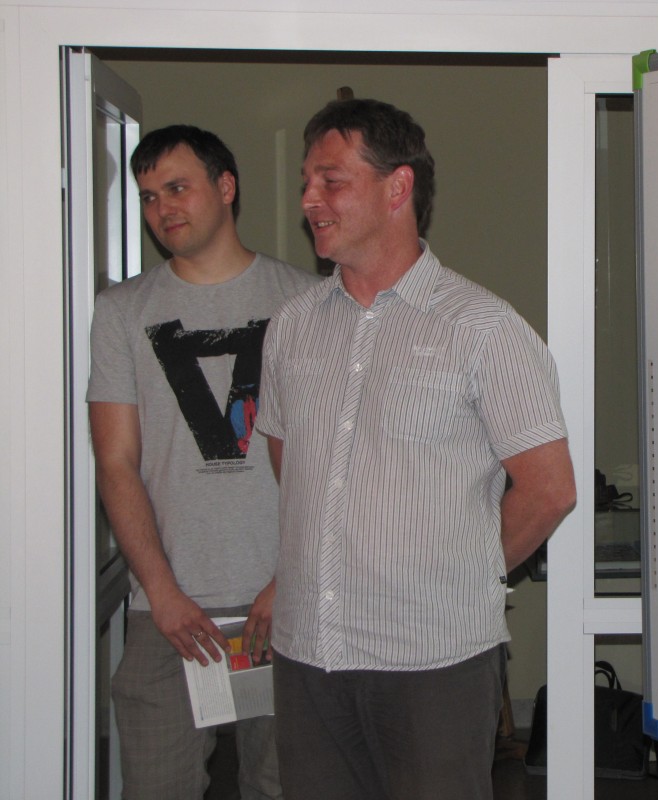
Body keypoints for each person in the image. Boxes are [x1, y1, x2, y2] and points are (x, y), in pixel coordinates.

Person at [257, 98, 577, 800]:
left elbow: (549, 489)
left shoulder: (483, 327)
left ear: (397, 186)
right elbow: (293, 462)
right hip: (309, 655)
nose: (309, 199)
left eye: (331, 181)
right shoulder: (291, 327)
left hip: (434, 662)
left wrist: (457, 575)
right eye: (306, 182)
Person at [87, 125, 319, 799]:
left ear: (225, 187)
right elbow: (115, 462)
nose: (162, 209)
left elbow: (329, 460)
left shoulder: (306, 301)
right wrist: (161, 594)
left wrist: (289, 578)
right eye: (148, 196)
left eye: (177, 188)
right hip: (168, 613)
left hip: (288, 606)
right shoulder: (121, 311)